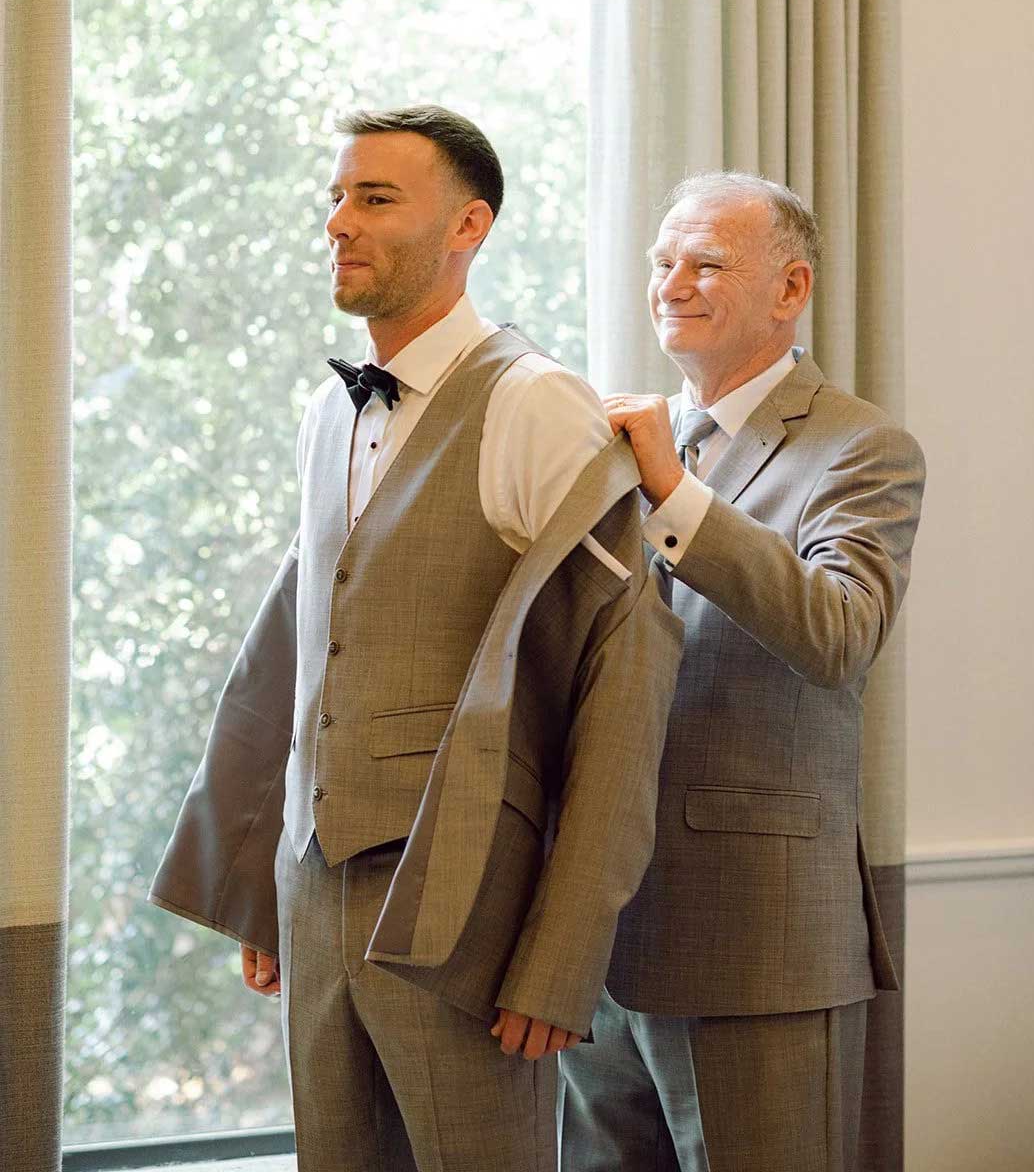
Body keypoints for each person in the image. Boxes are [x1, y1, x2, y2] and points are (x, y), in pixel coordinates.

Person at [150, 104, 682, 1171]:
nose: (338, 221)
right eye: (336, 197)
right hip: (314, 892)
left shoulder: (537, 403)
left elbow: (625, 683)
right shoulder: (326, 416)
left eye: (376, 197)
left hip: (469, 914)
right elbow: (297, 651)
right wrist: (263, 884)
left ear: (467, 226)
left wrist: (562, 957)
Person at [559, 171, 926, 1172]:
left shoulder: (863, 447)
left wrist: (675, 493)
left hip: (754, 938)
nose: (673, 283)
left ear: (790, 288)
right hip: (588, 948)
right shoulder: (606, 446)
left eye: (708, 263)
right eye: (663, 261)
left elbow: (841, 630)